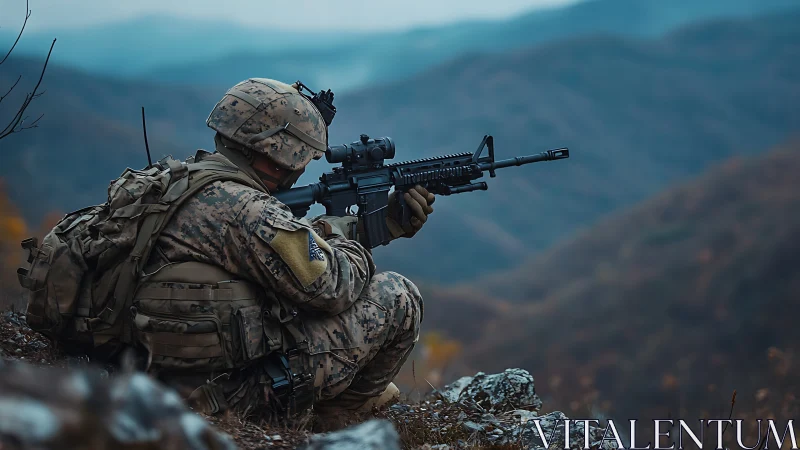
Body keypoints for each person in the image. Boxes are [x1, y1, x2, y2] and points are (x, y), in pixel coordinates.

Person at [130, 78, 433, 421]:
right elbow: (334, 286)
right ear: (279, 154)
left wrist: (358, 227)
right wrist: (348, 238)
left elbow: (268, 254)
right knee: (397, 295)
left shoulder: (168, 180)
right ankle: (331, 424)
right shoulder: (248, 211)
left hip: (138, 373)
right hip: (212, 399)